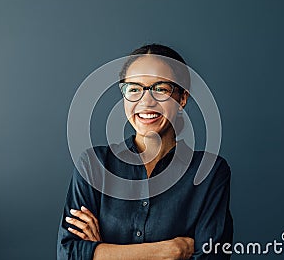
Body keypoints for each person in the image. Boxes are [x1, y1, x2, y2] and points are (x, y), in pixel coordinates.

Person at [57, 44, 233, 259]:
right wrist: (170, 251)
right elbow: (68, 254)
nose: (146, 101)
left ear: (182, 99)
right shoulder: (94, 164)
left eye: (161, 89)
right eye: (134, 89)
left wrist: (101, 252)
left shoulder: (209, 172)